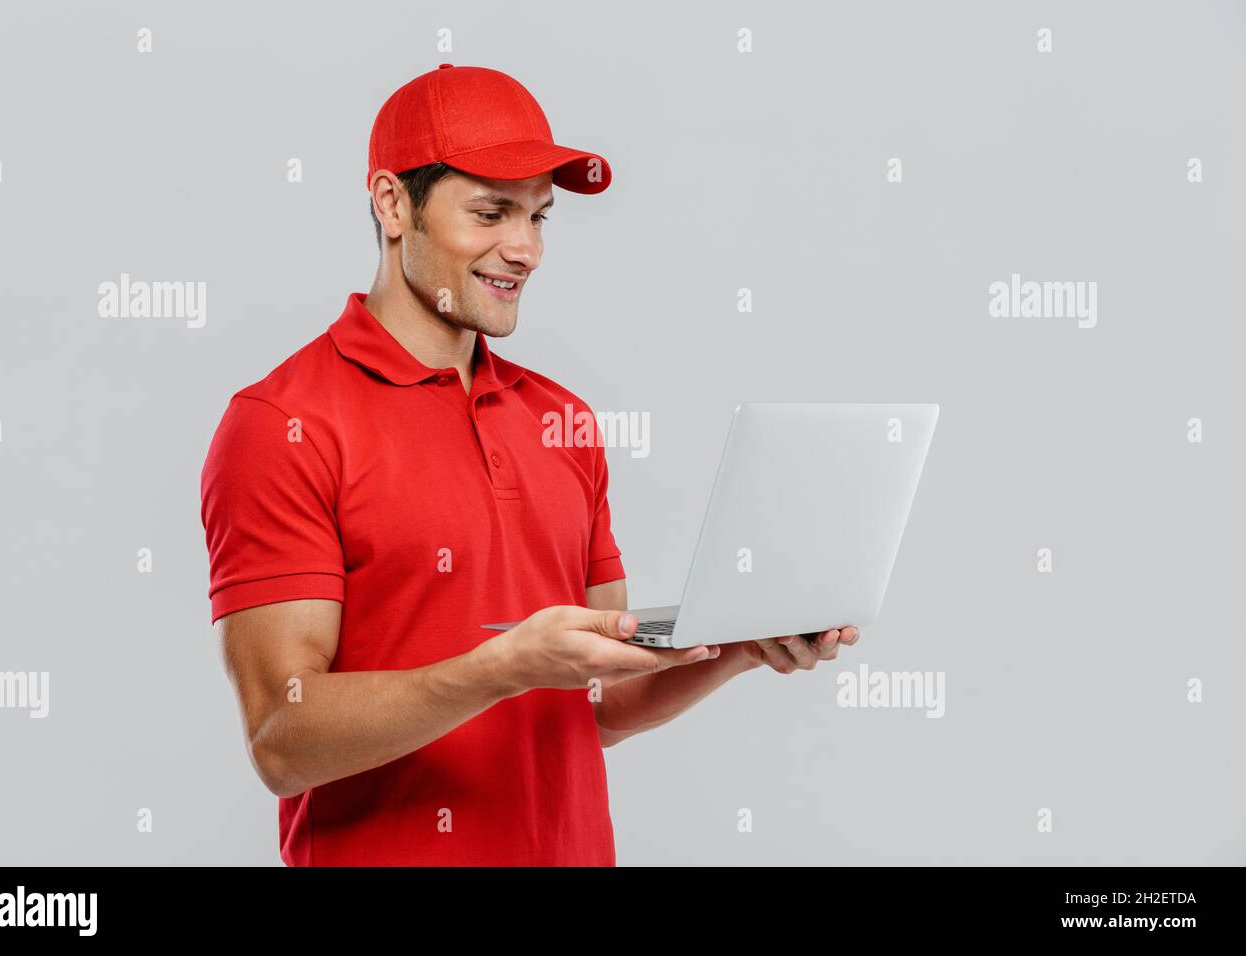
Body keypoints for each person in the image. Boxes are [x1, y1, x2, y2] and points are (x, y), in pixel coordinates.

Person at [199, 63, 858, 867]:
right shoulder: (283, 423)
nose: (527, 250)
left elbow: (598, 701)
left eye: (540, 218)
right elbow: (281, 740)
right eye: (492, 212)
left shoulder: (564, 421)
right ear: (392, 204)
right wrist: (500, 670)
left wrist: (741, 644)